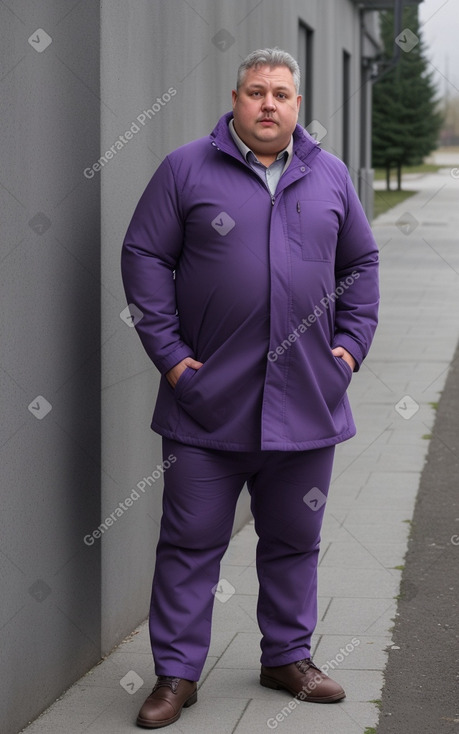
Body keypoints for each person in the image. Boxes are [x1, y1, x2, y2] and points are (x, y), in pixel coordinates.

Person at [121, 47, 379, 729]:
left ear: (298, 105)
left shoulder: (327, 177)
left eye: (282, 94)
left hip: (307, 406)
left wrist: (348, 350)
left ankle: (286, 658)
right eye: (256, 91)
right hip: (205, 408)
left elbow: (361, 262)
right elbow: (143, 255)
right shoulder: (185, 169)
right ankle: (176, 674)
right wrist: (173, 361)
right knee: (188, 545)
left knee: (294, 540)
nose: (269, 104)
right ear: (235, 99)